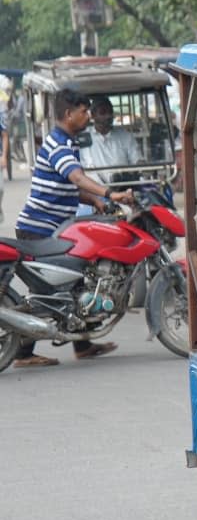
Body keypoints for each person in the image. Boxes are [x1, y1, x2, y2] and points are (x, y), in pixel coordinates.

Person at [12, 88, 134, 368]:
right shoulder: (59, 144)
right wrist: (109, 194)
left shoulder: (68, 142)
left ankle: (83, 343)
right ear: (69, 114)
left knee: (78, 279)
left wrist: (95, 201)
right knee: (47, 292)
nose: (88, 116)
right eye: (84, 111)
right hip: (38, 230)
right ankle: (22, 353)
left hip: (53, 228)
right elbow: (77, 178)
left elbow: (66, 187)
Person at [79, 95, 141, 175]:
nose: (108, 116)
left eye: (110, 112)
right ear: (93, 115)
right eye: (103, 112)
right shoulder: (84, 137)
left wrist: (142, 165)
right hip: (94, 186)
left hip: (124, 184)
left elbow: (136, 160)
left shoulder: (125, 136)